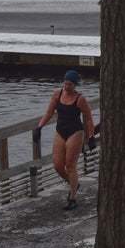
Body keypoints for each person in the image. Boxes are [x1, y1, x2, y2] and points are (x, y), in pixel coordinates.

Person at [33, 70, 95, 210]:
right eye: (65, 84)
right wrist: (39, 127)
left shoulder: (80, 99)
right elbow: (49, 112)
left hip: (75, 132)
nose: (67, 87)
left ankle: (72, 198)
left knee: (70, 165)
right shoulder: (57, 94)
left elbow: (89, 118)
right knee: (58, 165)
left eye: (70, 85)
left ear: (75, 85)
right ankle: (74, 183)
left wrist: (91, 137)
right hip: (60, 131)